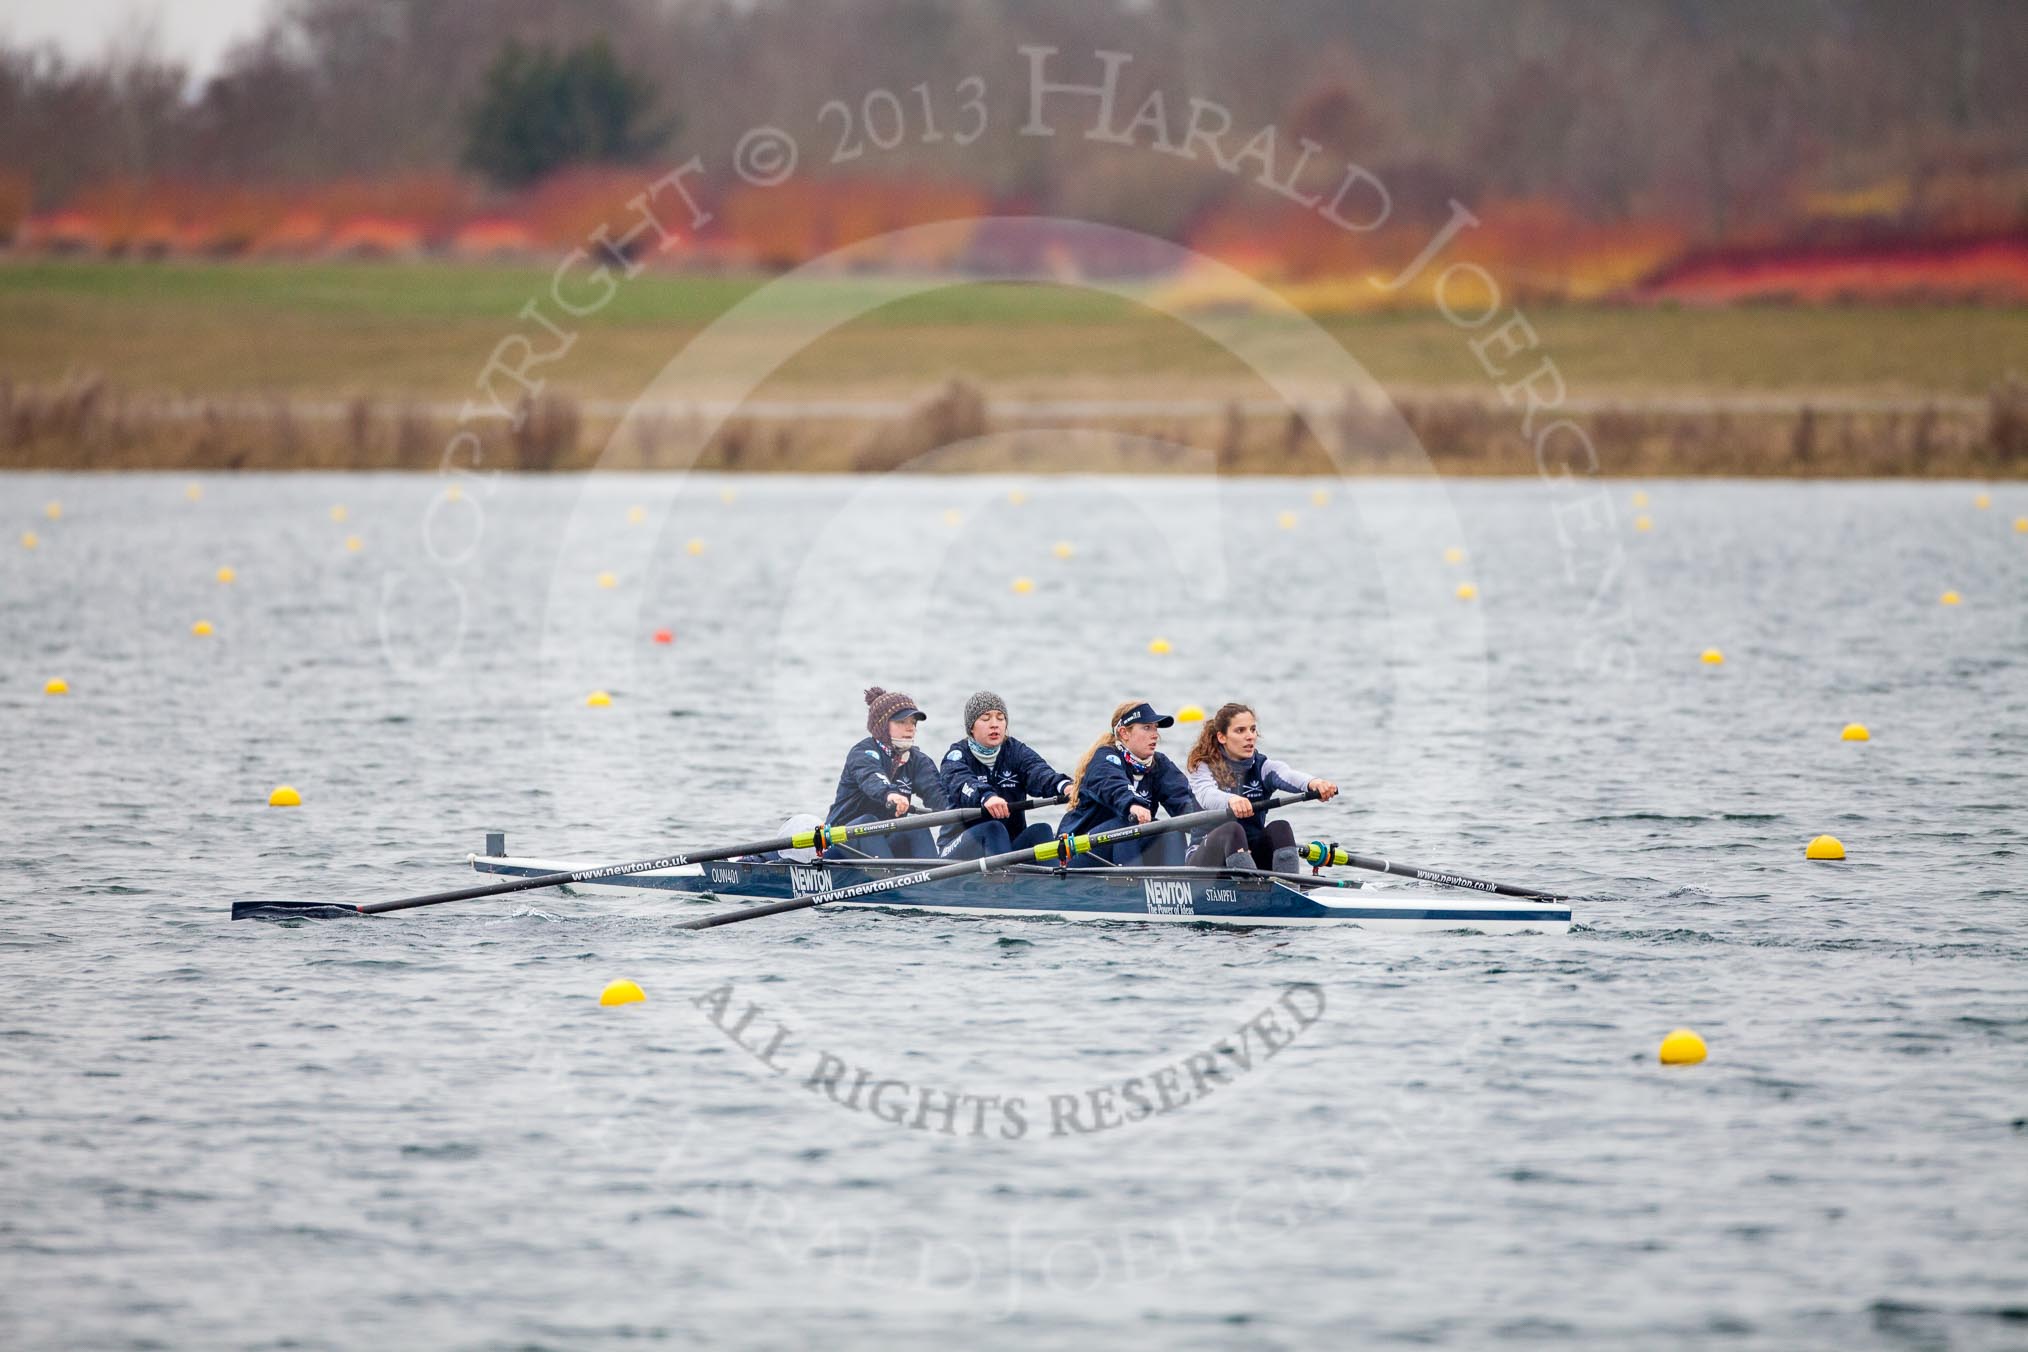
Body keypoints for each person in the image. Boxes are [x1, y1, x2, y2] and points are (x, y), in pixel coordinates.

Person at [1182, 702, 1338, 873]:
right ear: (1222, 737)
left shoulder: (1263, 767)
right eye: (1240, 730)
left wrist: (1315, 783)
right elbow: (1207, 795)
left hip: (1249, 857)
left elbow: (1288, 775)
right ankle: (1250, 890)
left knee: (1281, 827)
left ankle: (1288, 889)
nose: (1250, 736)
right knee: (1233, 831)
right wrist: (1231, 800)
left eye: (1253, 729)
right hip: (1205, 862)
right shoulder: (1202, 766)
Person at [1058, 700, 1200, 867]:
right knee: (1127, 824)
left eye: (1155, 728)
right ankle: (1131, 888)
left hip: (1126, 847)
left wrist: (1208, 822)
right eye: (1147, 728)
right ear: (1124, 733)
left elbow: (1183, 800)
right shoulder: (1104, 758)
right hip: (1080, 852)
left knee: (1172, 830)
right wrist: (1132, 804)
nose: (1155, 734)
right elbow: (1113, 785)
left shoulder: (1159, 764)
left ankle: (1181, 885)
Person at [937, 691, 1075, 860]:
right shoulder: (956, 756)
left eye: (1000, 718)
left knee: (1042, 830)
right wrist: (986, 797)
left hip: (1005, 848)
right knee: (993, 828)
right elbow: (960, 781)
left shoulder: (1015, 751)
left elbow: (1039, 772)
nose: (994, 725)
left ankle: (1052, 884)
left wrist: (1065, 786)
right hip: (956, 850)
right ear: (971, 727)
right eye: (986, 718)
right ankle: (1002, 883)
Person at [824, 687, 949, 858]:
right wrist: (890, 794)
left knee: (917, 825)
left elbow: (941, 798)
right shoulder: (863, 753)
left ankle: (937, 883)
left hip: (883, 846)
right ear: (883, 726)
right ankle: (895, 880)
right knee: (868, 821)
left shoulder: (918, 761)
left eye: (913, 722)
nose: (910, 728)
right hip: (842, 845)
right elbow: (871, 777)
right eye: (901, 722)